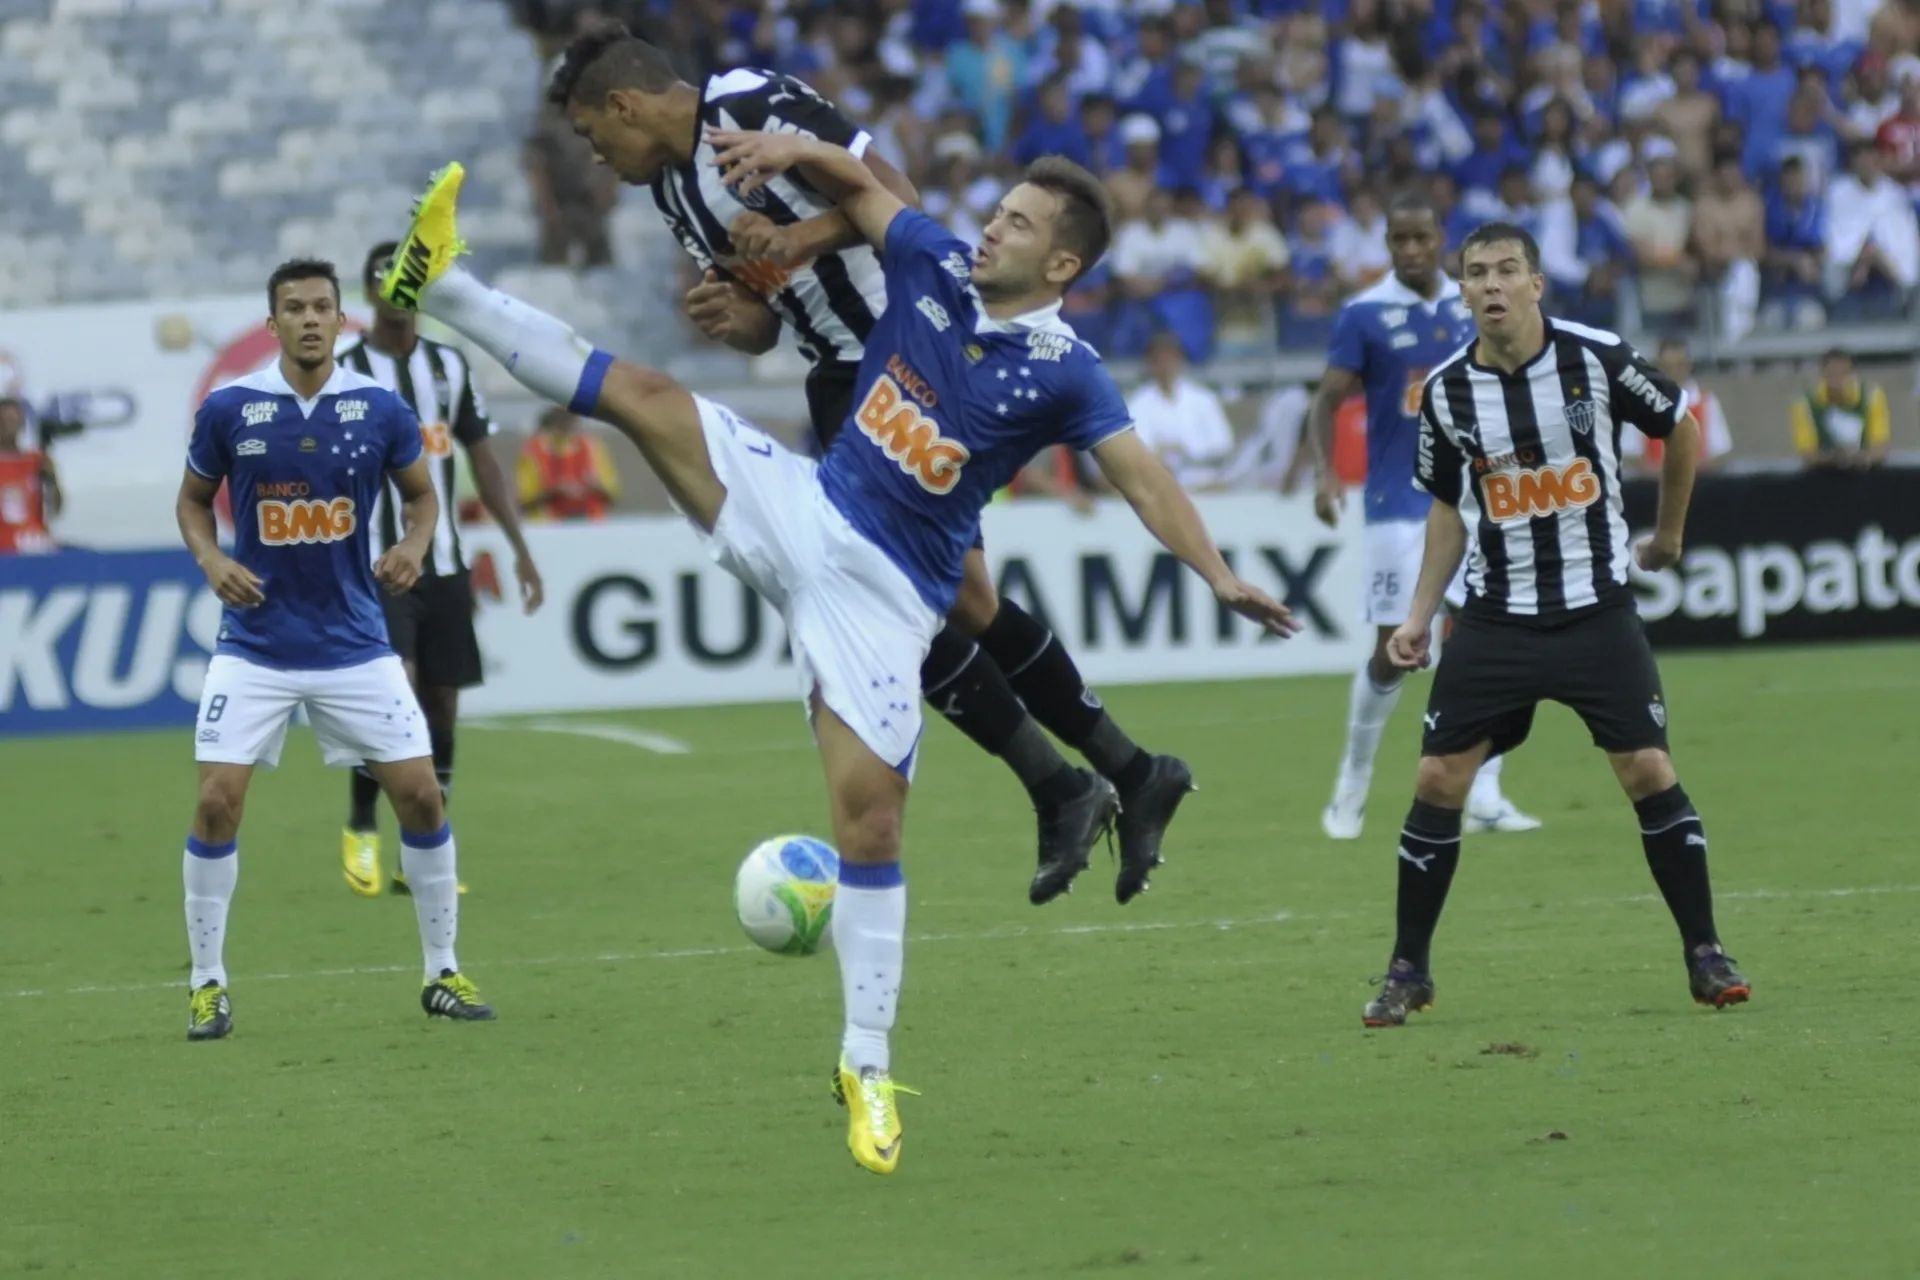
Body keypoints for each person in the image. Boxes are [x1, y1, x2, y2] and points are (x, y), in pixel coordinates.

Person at [377, 142, 1295, 1172]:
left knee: (870, 820)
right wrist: (791, 149)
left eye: (1022, 224)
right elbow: (863, 191)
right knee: (638, 392)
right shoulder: (933, 261)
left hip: (886, 599)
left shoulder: (1067, 373)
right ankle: (440, 279)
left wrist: (1218, 573)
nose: (993, 226)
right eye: (999, 210)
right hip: (806, 503)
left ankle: (865, 1064)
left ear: (1062, 268)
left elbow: (1145, 480)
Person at [555, 28, 1190, 900]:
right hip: (836, 374)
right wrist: (735, 317)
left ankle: (1074, 783)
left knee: (914, 601)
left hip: (907, 349)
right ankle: (1117, 773)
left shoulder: (744, 103)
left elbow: (893, 190)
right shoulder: (673, 192)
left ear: (624, 105)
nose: (598, 158)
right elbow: (769, 315)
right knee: (953, 602)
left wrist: (804, 240)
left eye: (595, 136)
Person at [1361, 222, 1749, 1029]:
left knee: (1646, 768)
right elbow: (1447, 511)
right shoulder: (1445, 391)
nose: (1493, 284)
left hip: (1594, 611)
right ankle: (1408, 970)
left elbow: (1679, 424)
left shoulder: (1594, 357)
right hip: (1496, 615)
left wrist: (1671, 535)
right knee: (1437, 781)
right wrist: (1419, 616)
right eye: (1477, 273)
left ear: (1537, 284)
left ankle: (1707, 954)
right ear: (1460, 291)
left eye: (1508, 270)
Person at [176, 259, 494, 1042]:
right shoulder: (232, 407)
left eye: (322, 306)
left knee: (422, 796)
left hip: (355, 643)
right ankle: (206, 983)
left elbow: (422, 494)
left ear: (340, 316)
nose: (311, 319)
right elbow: (190, 502)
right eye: (295, 308)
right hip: (255, 646)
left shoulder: (379, 409)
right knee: (217, 801)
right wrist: (214, 561)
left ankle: (442, 970)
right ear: (274, 321)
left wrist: (417, 546)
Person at [1307, 191, 1539, 841]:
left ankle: (1485, 793)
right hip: (1397, 502)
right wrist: (1326, 473)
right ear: (1387, 244)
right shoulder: (1365, 314)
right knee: (1394, 649)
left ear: (1443, 239)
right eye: (1398, 239)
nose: (1411, 250)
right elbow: (1325, 401)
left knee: (1480, 644)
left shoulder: (1475, 302)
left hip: (1481, 500)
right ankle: (1352, 781)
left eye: (1421, 238)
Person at [336, 243, 546, 898]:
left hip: (446, 558)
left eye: (408, 282)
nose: (397, 293)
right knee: (395, 694)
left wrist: (518, 545)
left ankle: (422, 853)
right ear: (370, 293)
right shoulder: (346, 373)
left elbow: (481, 459)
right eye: (386, 282)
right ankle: (362, 824)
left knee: (443, 705)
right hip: (377, 564)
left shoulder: (448, 366)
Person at [1125, 330, 1234, 489]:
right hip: (1158, 485)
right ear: (1150, 363)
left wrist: (1186, 448)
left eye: (1170, 358)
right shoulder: (1137, 403)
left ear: (1180, 360)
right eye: (1159, 360)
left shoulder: (1203, 399)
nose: (1165, 365)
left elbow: (1223, 444)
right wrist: (1161, 452)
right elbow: (1138, 449)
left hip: (1204, 482)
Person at [1621, 338, 1733, 473]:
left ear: (1689, 365)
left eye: (1679, 366)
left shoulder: (1707, 402)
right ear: (1658, 367)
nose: (1674, 373)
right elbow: (1632, 458)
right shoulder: (1641, 403)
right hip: (1653, 487)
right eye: (1668, 367)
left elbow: (1718, 455)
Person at [1791, 348, 1890, 468]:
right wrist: (1836, 458)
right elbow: (1807, 454)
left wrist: (1857, 458)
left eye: (1844, 374)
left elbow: (1879, 449)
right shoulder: (1804, 403)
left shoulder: (1872, 396)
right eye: (1831, 374)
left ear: (1853, 374)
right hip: (1821, 477)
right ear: (1821, 374)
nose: (1838, 381)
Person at [518, 405, 622, 519]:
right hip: (548, 528)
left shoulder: (593, 447)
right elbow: (523, 503)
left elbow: (612, 496)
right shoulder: (532, 452)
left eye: (571, 420)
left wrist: (594, 486)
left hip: (592, 526)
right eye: (562, 421)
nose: (567, 425)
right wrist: (553, 492)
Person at [0, 396, 60, 554]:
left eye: (14, 420)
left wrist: (52, 479)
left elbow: (55, 509)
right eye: (5, 420)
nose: (10, 426)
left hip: (34, 544)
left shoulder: (36, 461)